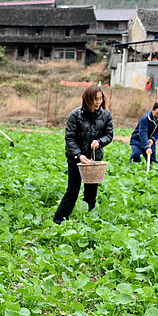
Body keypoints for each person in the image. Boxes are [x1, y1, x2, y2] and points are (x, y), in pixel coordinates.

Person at [53, 85, 114, 224]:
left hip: (94, 160)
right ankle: (59, 220)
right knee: (73, 190)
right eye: (95, 99)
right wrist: (79, 155)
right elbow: (70, 138)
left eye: (100, 99)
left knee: (91, 192)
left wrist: (99, 142)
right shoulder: (76, 115)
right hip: (76, 159)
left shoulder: (106, 115)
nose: (98, 102)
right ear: (87, 100)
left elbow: (109, 135)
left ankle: (88, 221)